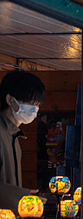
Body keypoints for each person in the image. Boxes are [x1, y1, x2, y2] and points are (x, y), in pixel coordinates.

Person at [0, 71, 45, 209]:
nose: (34, 109)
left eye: (37, 104)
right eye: (30, 103)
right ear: (10, 100)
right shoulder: (3, 133)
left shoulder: (13, 134)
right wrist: (20, 196)